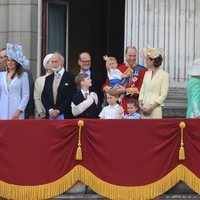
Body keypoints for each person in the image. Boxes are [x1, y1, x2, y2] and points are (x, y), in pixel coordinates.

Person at [102, 46, 147, 113]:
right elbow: (105, 86)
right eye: (130, 56)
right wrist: (113, 90)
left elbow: (143, 90)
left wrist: (126, 90)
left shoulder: (143, 70)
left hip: (133, 108)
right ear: (125, 55)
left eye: (134, 56)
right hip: (117, 107)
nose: (132, 58)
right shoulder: (117, 68)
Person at [42, 52, 76, 119]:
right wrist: (50, 110)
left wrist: (58, 111)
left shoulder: (70, 78)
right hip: (50, 116)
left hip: (65, 116)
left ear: (62, 62)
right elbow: (44, 97)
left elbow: (71, 97)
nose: (54, 64)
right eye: (52, 62)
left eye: (56, 62)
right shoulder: (48, 79)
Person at [0, 43, 29, 119]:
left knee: (15, 130)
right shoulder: (1, 75)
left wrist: (18, 110)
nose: (10, 62)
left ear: (16, 62)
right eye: (8, 60)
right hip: (2, 110)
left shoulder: (23, 75)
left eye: (12, 61)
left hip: (16, 110)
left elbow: (26, 95)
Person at [139, 45, 169, 118]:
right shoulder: (147, 73)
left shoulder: (164, 75)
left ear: (153, 61)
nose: (145, 61)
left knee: (155, 128)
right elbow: (142, 90)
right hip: (144, 107)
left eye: (147, 59)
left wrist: (151, 107)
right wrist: (140, 104)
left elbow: (163, 95)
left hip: (155, 108)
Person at [34, 53, 53, 118]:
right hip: (44, 115)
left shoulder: (62, 79)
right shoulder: (39, 80)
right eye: (52, 61)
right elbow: (37, 98)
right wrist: (41, 112)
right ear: (47, 65)